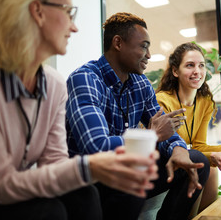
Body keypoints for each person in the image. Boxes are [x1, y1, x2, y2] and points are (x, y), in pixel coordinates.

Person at [0, 0, 158, 220]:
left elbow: (55, 164)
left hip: (16, 192)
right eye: (68, 12)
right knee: (51, 210)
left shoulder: (54, 84)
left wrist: (103, 168)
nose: (74, 27)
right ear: (37, 11)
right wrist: (91, 166)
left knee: (85, 194)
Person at [66, 12, 210, 220]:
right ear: (118, 43)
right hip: (89, 178)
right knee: (133, 176)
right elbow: (96, 147)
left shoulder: (140, 84)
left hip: (123, 168)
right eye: (144, 46)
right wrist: (151, 136)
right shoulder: (86, 79)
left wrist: (178, 149)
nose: (149, 55)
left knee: (196, 161)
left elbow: (163, 126)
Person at [156, 42, 221, 212]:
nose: (197, 71)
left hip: (186, 158)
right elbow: (164, 148)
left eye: (201, 65)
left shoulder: (204, 102)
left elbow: (199, 147)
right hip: (163, 161)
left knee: (210, 170)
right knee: (202, 162)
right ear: (175, 71)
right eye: (190, 65)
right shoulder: (163, 101)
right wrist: (213, 156)